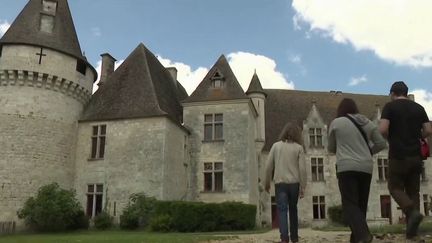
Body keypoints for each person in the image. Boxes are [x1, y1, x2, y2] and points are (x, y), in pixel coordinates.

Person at [328, 98, 387, 243]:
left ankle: (363, 235)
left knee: (350, 204)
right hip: (366, 167)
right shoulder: (368, 122)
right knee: (361, 204)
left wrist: (343, 148)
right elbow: (381, 143)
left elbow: (330, 148)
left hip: (346, 167)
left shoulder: (336, 123)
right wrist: (368, 152)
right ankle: (356, 238)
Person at [379, 81, 432, 239]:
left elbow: (382, 129)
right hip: (416, 156)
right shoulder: (419, 108)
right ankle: (412, 232)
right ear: (406, 93)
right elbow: (428, 129)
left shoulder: (390, 107)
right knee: (413, 191)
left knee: (394, 187)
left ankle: (411, 210)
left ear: (392, 93)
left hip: (398, 155)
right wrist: (417, 137)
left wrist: (391, 139)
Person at [264, 123, 307, 243]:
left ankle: (284, 238)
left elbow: (268, 167)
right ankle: (294, 237)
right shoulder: (299, 148)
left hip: (280, 184)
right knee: (293, 209)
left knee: (282, 210)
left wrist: (267, 183)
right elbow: (302, 169)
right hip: (294, 184)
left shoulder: (276, 146)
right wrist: (303, 186)